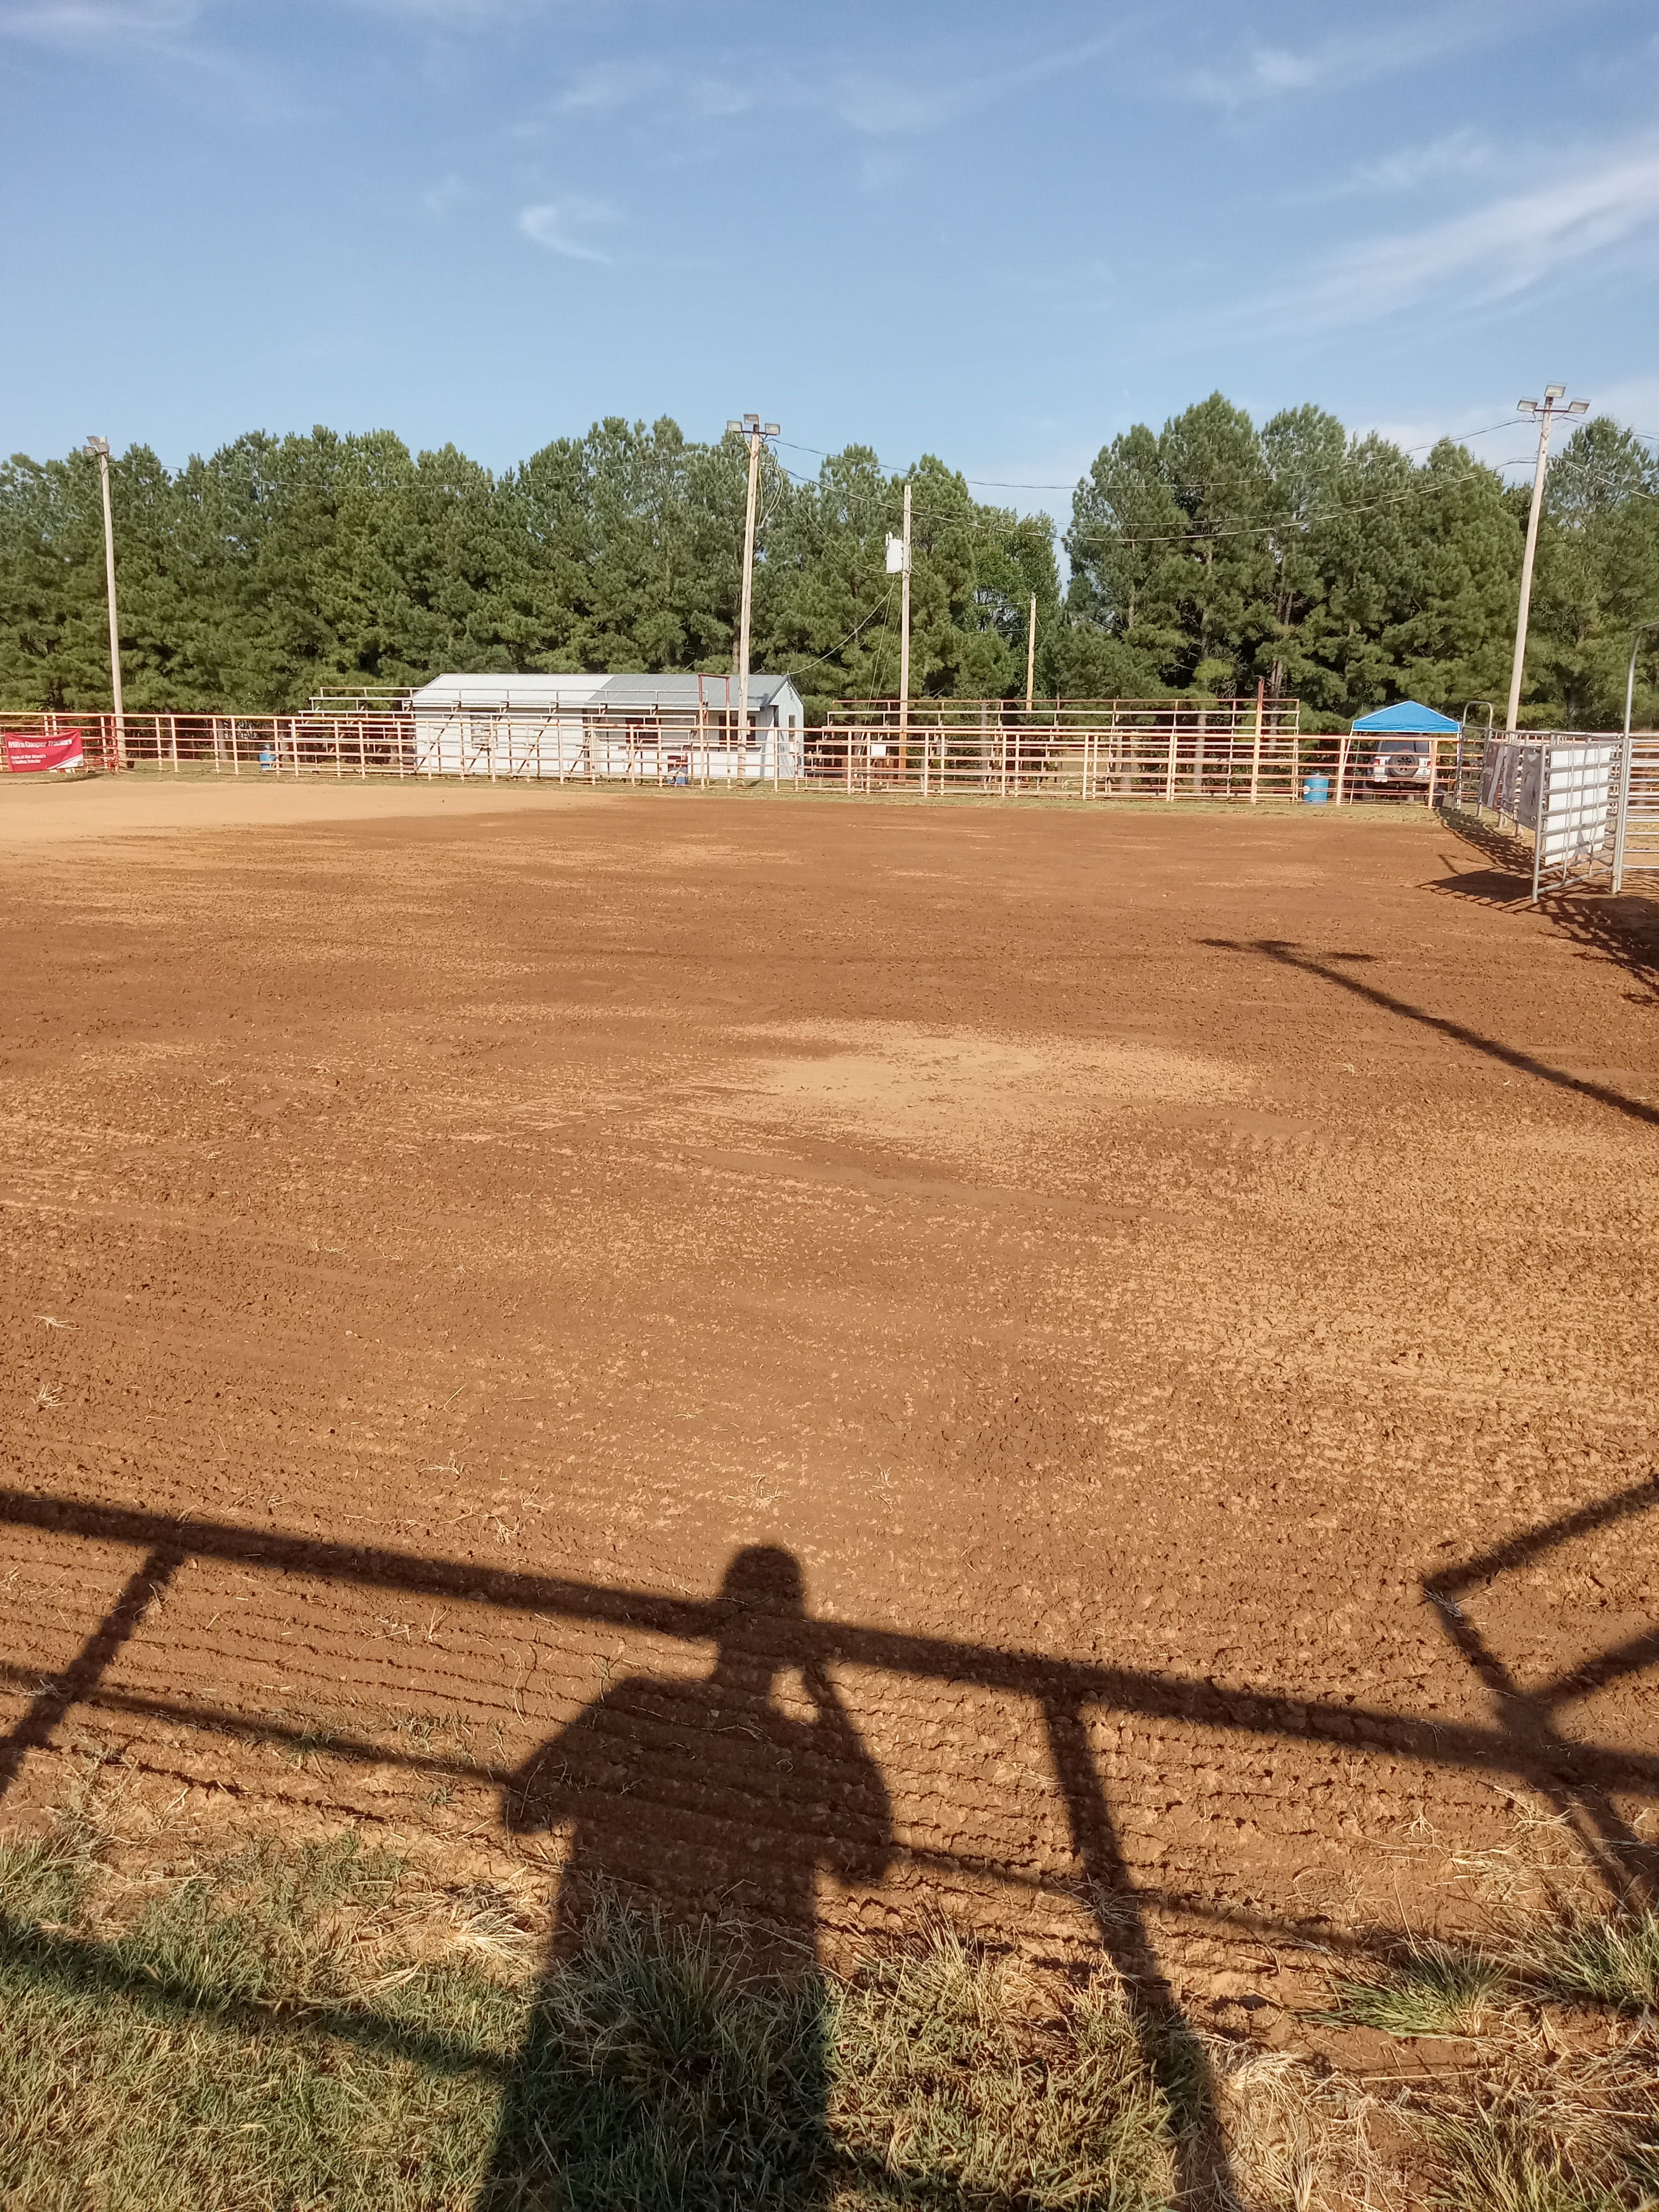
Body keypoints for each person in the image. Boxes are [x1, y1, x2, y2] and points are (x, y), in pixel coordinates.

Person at [477, 1546, 891, 2205]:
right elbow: (867, 1862)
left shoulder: (638, 1696)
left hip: (599, 1993)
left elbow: (520, 1809)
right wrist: (828, 1701)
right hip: (762, 2003)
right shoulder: (797, 1737)